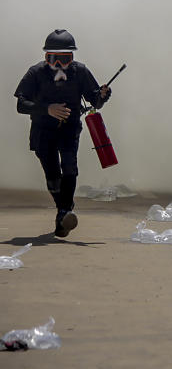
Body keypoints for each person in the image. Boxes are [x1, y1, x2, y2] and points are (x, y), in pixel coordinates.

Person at [14, 29, 112, 237]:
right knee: (52, 175)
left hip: (69, 129)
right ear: (45, 57)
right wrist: (46, 108)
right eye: (54, 59)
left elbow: (95, 101)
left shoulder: (80, 72)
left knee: (70, 167)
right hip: (43, 130)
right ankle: (64, 212)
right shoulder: (36, 73)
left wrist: (103, 95)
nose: (59, 65)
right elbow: (21, 104)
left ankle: (64, 212)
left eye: (65, 59)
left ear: (72, 58)